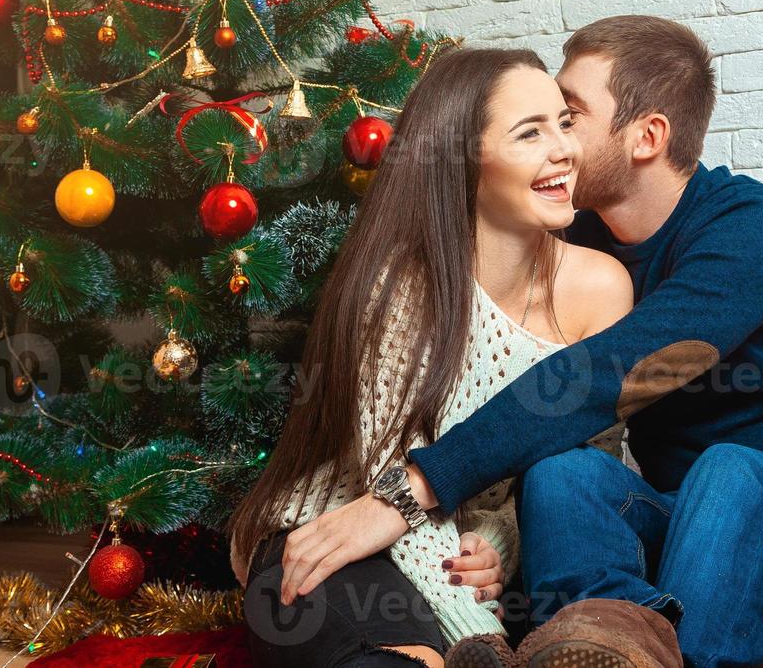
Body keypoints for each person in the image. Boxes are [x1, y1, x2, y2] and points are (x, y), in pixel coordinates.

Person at [275, 16, 763, 668]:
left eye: (570, 115)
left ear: (647, 136)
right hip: (691, 531)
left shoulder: (748, 230)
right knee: (563, 473)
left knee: (731, 469)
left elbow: (602, 376)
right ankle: (600, 640)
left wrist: (412, 489)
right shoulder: (580, 241)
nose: (557, 140)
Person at [230, 46, 633, 668]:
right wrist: (477, 634)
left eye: (564, 123)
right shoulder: (397, 288)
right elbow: (385, 488)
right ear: (464, 162)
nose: (565, 149)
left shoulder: (602, 289)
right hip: (342, 531)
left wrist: (498, 543)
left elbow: (578, 487)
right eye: (530, 132)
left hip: (471, 565)